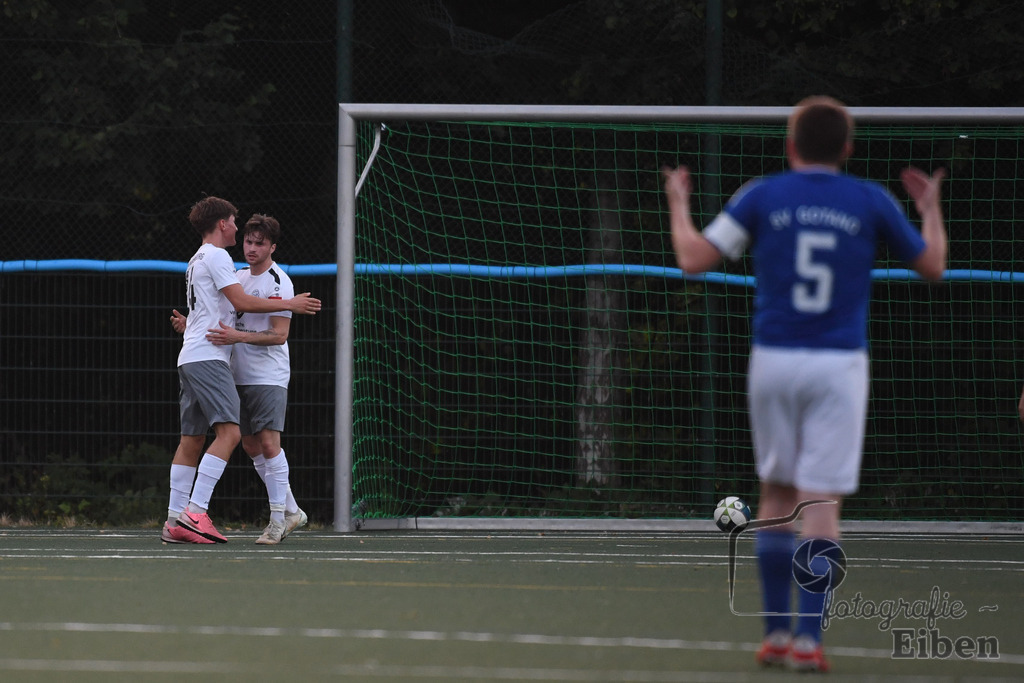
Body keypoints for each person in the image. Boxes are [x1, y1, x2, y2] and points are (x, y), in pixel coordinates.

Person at [662, 96, 947, 672]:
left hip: (774, 359)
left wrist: (678, 202)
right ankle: (809, 644)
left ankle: (773, 635)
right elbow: (934, 266)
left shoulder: (762, 194)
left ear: (790, 145)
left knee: (774, 496)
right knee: (820, 507)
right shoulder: (870, 198)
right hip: (838, 365)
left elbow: (693, 258)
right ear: (847, 148)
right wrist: (931, 208)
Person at [162, 197, 321, 545]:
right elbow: (237, 307)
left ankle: (279, 517)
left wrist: (200, 326)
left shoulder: (274, 279)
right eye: (243, 233)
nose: (247, 243)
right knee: (236, 439)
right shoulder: (226, 265)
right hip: (218, 364)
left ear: (272, 247)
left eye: (258, 242)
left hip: (261, 374)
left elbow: (277, 334)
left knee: (256, 443)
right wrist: (289, 305)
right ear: (222, 224)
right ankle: (191, 515)